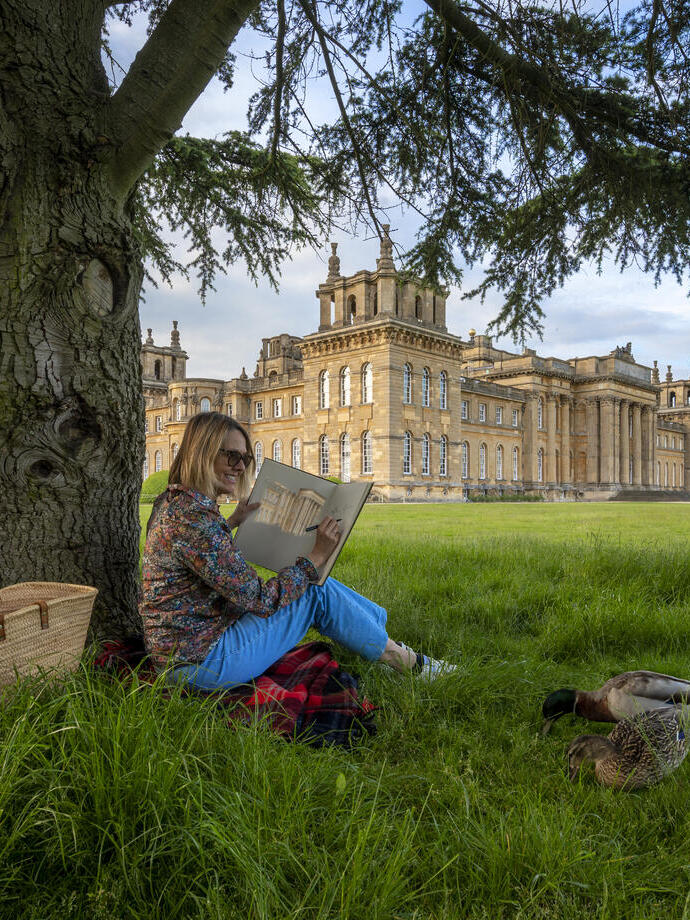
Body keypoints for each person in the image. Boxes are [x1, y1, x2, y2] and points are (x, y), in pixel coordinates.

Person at [140, 411, 456, 690]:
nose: (239, 466)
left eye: (245, 459)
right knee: (313, 590)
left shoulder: (177, 503)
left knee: (316, 584)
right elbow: (261, 601)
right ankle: (407, 663)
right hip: (201, 664)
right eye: (231, 456)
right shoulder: (194, 520)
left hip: (183, 652)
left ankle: (383, 643)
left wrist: (233, 521)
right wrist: (316, 556)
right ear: (203, 453)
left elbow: (199, 554)